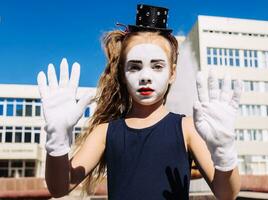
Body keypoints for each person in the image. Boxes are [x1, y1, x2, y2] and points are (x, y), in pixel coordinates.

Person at [37, 4, 242, 200]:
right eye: (135, 67)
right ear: (123, 74)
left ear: (172, 73)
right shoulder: (105, 132)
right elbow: (59, 188)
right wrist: (57, 142)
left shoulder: (188, 127)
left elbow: (227, 194)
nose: (145, 76)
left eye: (157, 66)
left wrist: (224, 152)